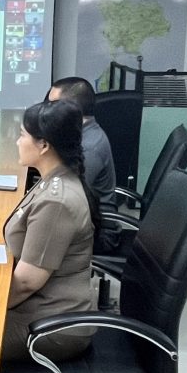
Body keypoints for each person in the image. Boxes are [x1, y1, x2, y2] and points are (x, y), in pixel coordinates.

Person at [3, 100, 100, 362]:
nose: (17, 142)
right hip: (40, 307)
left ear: (44, 145)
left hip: (53, 324)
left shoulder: (56, 202)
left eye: (22, 135)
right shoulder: (54, 179)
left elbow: (26, 283)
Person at [48, 76, 119, 252]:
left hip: (99, 232)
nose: (47, 111)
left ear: (72, 110)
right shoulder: (78, 134)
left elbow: (67, 198)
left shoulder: (89, 147)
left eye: (52, 105)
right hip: (82, 219)